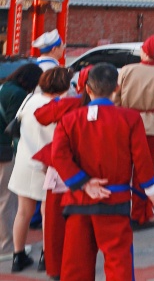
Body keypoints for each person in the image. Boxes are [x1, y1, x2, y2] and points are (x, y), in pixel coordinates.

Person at [50, 63, 154, 280]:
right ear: (117, 88)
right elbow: (142, 159)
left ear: (87, 89)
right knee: (118, 263)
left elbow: (59, 156)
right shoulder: (130, 118)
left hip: (78, 201)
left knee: (76, 266)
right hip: (115, 201)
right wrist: (151, 192)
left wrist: (84, 183)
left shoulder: (69, 119)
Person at [8, 67, 71, 272]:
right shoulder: (60, 107)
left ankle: (18, 256)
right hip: (48, 166)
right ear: (63, 86)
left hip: (25, 162)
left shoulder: (29, 100)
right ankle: (47, 255)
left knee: (23, 212)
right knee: (48, 215)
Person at [33, 67, 91, 278]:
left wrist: (58, 102)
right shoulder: (118, 109)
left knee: (56, 223)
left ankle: (56, 268)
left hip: (63, 169)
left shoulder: (70, 103)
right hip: (95, 171)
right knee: (86, 227)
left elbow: (41, 116)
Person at [114, 34, 154, 229]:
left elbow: (115, 98)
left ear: (144, 50)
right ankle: (139, 214)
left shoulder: (126, 70)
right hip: (150, 125)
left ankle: (118, 210)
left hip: (124, 122)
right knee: (144, 172)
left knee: (121, 169)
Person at [0, 64, 42, 264]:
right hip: (5, 151)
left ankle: (9, 245)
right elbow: (15, 126)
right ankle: (6, 246)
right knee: (7, 201)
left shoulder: (4, 87)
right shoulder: (17, 94)